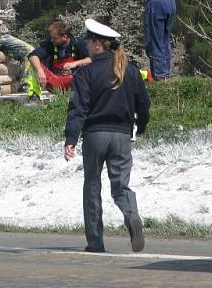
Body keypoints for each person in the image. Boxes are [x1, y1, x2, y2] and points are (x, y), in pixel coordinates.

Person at [64, 19, 151, 254]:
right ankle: (131, 216)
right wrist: (141, 126)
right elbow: (144, 104)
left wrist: (71, 139)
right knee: (121, 185)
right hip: (122, 135)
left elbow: (78, 109)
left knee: (92, 186)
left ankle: (95, 242)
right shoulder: (130, 70)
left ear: (97, 44)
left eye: (88, 41)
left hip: (95, 135)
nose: (86, 45)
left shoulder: (86, 73)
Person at [26, 21, 91, 97]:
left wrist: (75, 63)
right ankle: (34, 95)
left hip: (74, 80)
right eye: (51, 38)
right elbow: (33, 56)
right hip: (55, 80)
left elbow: (91, 59)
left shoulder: (79, 43)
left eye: (55, 38)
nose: (52, 40)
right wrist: (39, 70)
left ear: (64, 37)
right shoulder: (51, 44)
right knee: (34, 65)